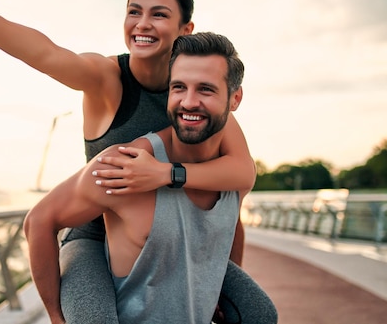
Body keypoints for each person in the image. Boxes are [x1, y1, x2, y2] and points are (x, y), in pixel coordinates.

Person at [0, 0, 277, 323]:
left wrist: (165, 174)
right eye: (134, 12)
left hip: (174, 232)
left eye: (159, 14)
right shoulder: (107, 78)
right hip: (95, 232)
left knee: (257, 311)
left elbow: (241, 172)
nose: (143, 23)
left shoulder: (199, 100)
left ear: (186, 29)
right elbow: (47, 54)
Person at [25, 32, 251, 323]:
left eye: (206, 89)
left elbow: (231, 223)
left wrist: (223, 289)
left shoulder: (232, 171)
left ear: (235, 99)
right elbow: (38, 221)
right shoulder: (125, 165)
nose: (189, 101)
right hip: (92, 250)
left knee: (259, 312)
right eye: (178, 87)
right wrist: (57, 317)